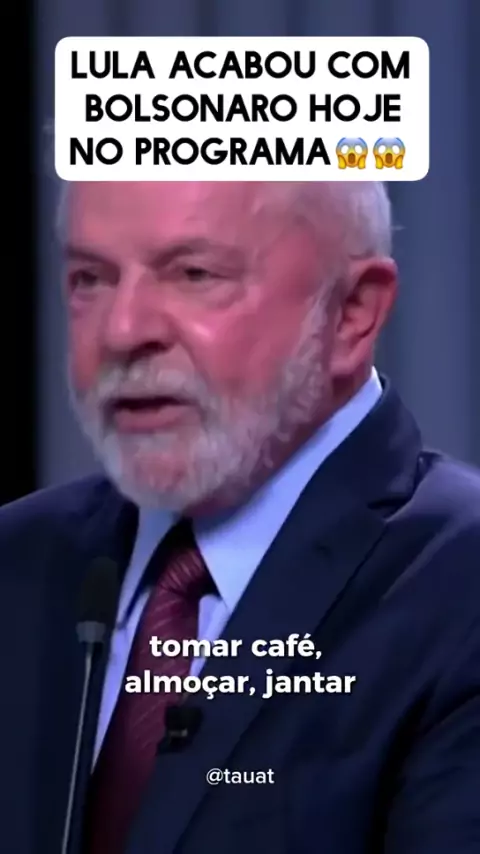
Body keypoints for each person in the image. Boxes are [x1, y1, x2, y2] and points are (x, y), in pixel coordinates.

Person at [0, 180, 479, 854]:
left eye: (194, 274)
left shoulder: (460, 587)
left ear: (351, 313)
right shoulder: (16, 558)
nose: (123, 331)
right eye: (91, 279)